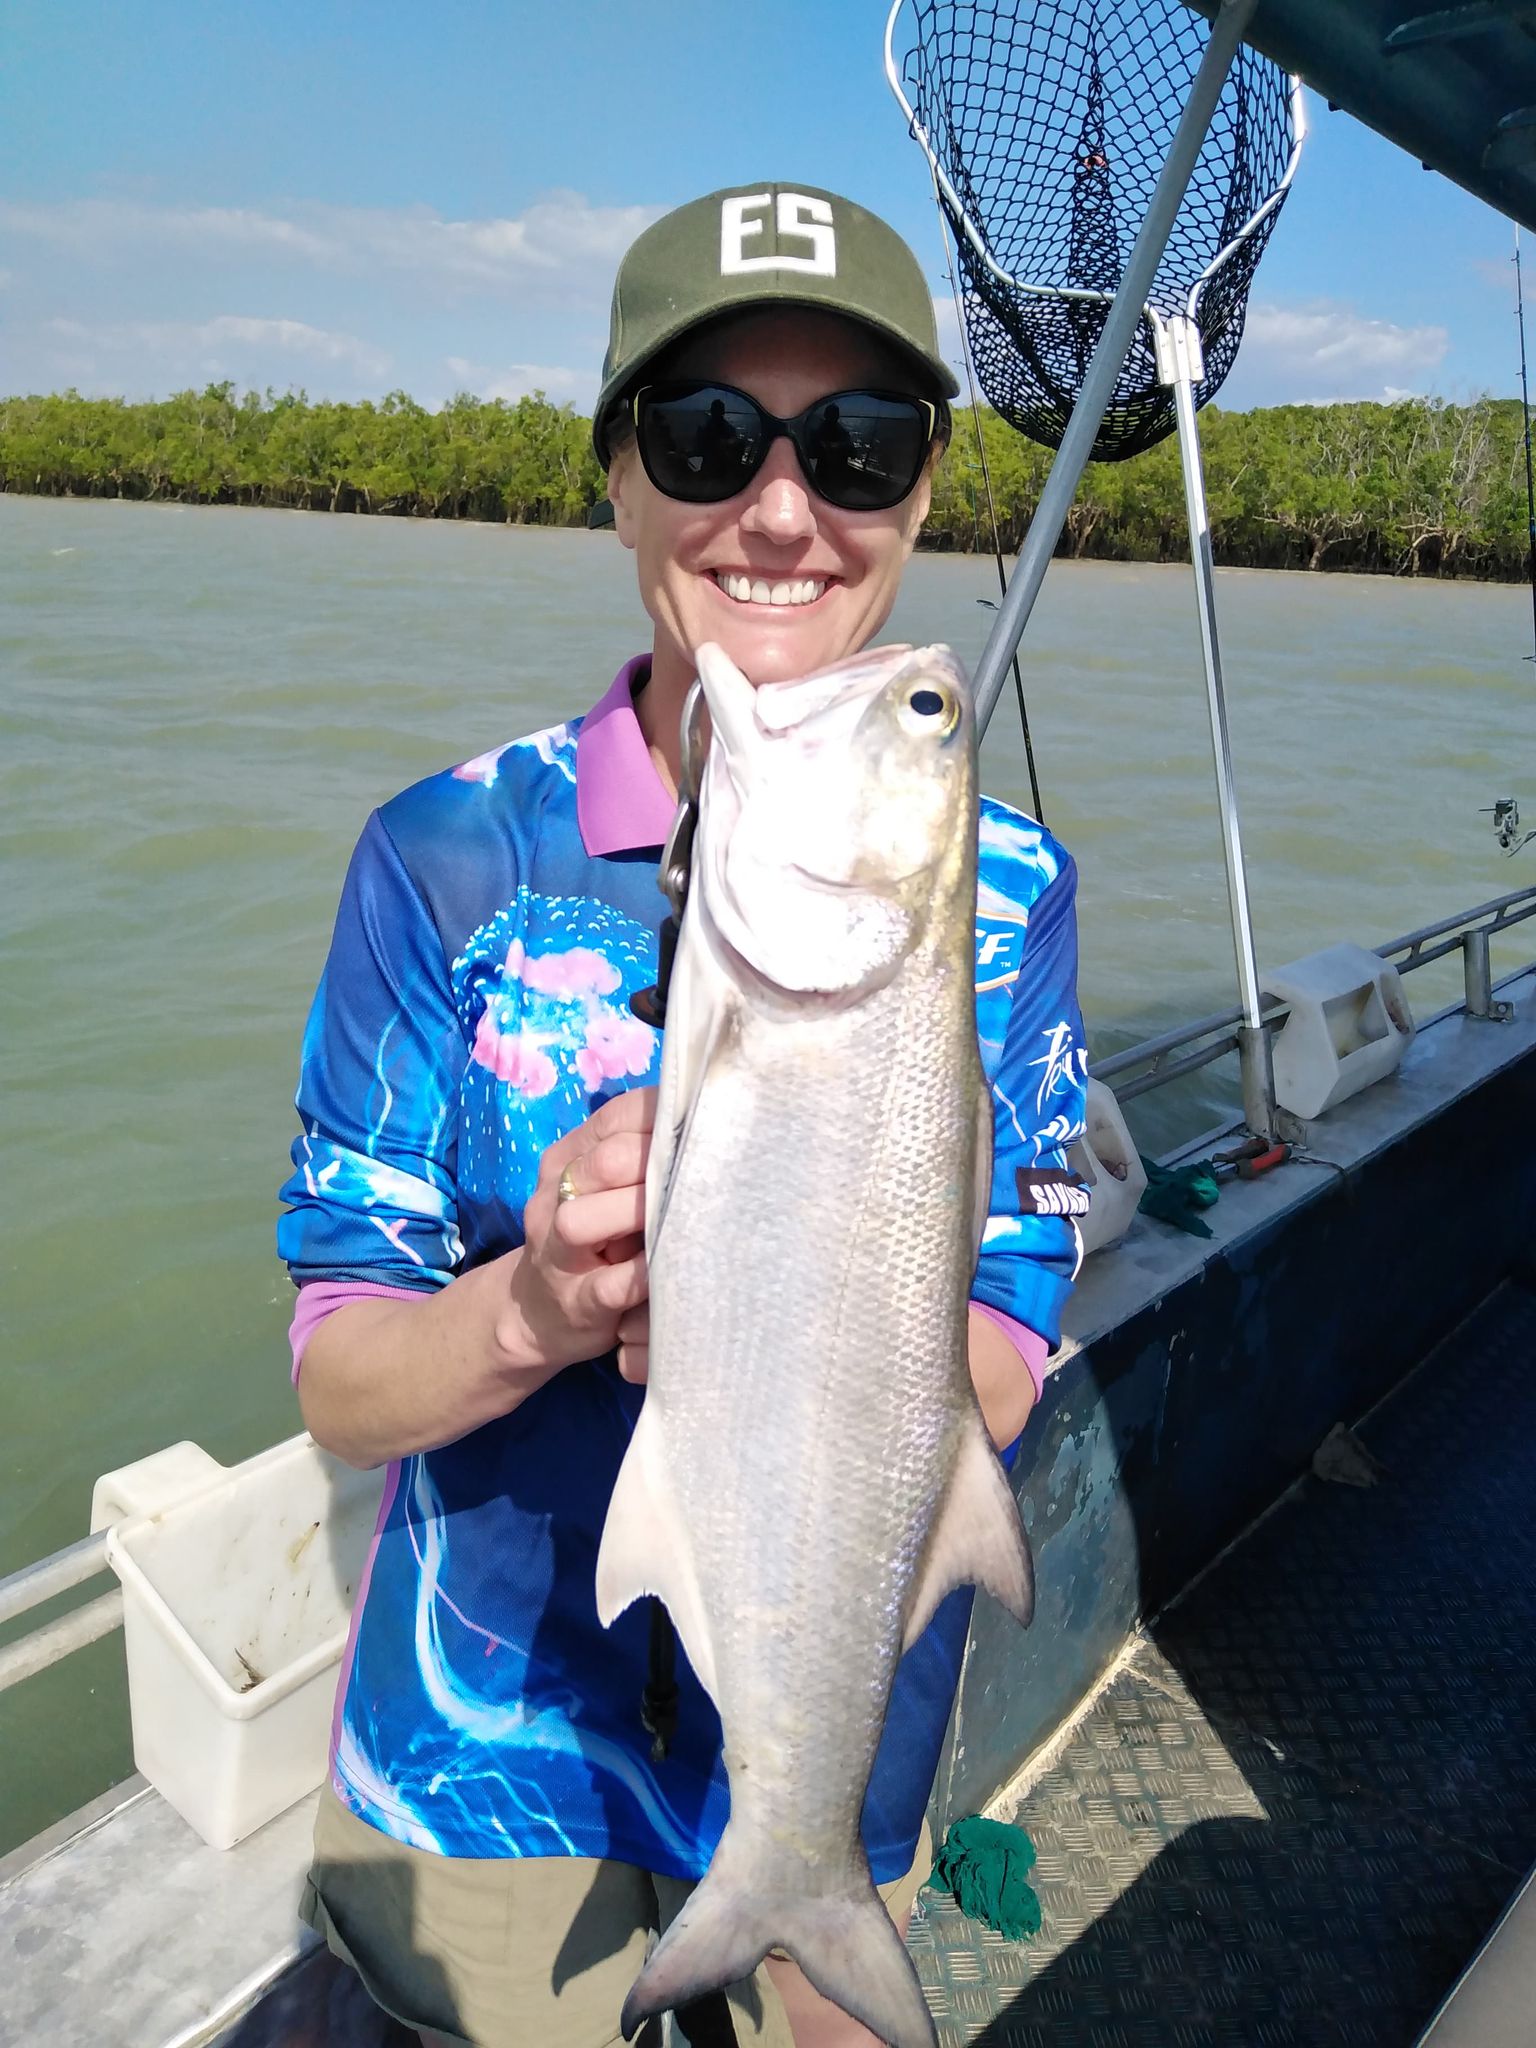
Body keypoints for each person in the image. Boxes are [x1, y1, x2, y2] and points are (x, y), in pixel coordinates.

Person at [278, 180, 1088, 2048]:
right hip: (494, 1759)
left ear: (922, 492)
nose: (785, 511)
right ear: (615, 474)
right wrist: (539, 1313)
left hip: (829, 1737)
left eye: (862, 445)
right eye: (708, 435)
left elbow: (1012, 1334)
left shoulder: (1015, 897)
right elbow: (334, 1378)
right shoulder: (446, 861)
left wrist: (800, 1317)